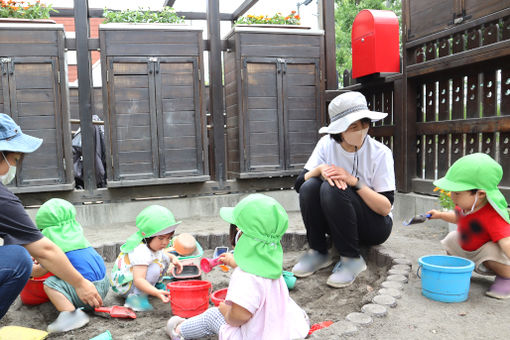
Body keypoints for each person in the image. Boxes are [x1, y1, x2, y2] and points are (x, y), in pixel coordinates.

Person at [165, 194, 310, 340]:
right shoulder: (270, 264)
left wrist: (226, 311)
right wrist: (235, 262)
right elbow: (257, 274)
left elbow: (239, 316)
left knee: (213, 316)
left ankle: (179, 331)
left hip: (256, 335)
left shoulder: (244, 277)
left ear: (239, 235)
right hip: (282, 330)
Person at [0, 113, 102, 320]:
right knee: (19, 259)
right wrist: (81, 284)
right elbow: (45, 251)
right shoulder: (3, 200)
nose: (15, 167)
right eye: (15, 159)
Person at [291, 91, 395, 288]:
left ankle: (351, 260)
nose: (362, 130)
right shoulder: (326, 145)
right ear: (339, 131)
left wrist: (353, 181)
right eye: (354, 126)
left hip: (374, 225)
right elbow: (299, 185)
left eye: (365, 124)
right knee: (311, 186)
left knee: (333, 189)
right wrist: (319, 170)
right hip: (339, 220)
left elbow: (385, 208)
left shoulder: (381, 153)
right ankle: (319, 252)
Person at [427, 153, 510, 299]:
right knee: (452, 238)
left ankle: (506, 278)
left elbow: (506, 242)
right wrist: (439, 215)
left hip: (485, 254)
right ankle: (460, 269)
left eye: (457, 193)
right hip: (468, 248)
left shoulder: (493, 215)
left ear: (481, 194)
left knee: (493, 250)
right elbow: (458, 218)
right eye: (452, 192)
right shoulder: (467, 206)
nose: (452, 197)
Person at [33, 198, 110, 332]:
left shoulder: (56, 249)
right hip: (103, 285)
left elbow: (38, 272)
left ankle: (70, 315)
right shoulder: (79, 240)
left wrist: (26, 268)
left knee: (51, 283)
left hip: (85, 294)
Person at [110, 205, 183, 311]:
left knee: (166, 259)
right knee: (154, 269)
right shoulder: (140, 251)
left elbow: (161, 254)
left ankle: (155, 284)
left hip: (136, 279)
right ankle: (136, 298)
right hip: (126, 285)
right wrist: (156, 293)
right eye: (161, 238)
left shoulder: (153, 244)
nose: (165, 242)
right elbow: (138, 280)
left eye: (169, 238)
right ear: (148, 237)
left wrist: (173, 258)